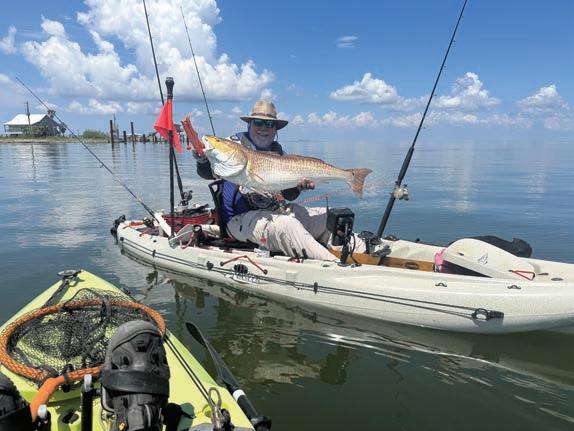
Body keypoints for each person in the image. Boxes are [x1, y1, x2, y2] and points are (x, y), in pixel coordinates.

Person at [195, 100, 368, 261]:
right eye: (258, 122)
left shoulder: (280, 154)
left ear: (275, 129)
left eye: (269, 124)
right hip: (239, 220)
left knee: (330, 218)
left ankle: (364, 254)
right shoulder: (234, 144)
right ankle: (334, 264)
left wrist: (298, 187)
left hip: (276, 211)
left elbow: (287, 195)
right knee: (287, 225)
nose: (264, 128)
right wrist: (202, 159)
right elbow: (208, 173)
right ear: (249, 124)